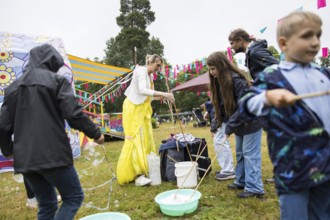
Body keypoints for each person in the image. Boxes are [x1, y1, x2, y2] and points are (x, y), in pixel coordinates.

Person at [239, 11, 330, 219]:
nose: (315, 42)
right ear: (283, 43)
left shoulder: (324, 74)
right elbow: (245, 105)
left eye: (318, 35)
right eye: (307, 36)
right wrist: (268, 96)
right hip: (293, 170)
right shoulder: (272, 76)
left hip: (326, 166)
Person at [0, 44, 104, 220]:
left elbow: (2, 126)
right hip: (53, 153)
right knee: (73, 197)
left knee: (47, 205)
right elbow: (74, 114)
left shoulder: (12, 88)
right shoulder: (56, 82)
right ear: (53, 62)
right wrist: (96, 133)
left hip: (25, 158)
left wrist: (9, 150)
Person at [207, 51, 264, 198]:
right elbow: (220, 105)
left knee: (250, 154)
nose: (211, 72)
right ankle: (242, 180)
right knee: (240, 153)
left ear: (222, 65)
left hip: (251, 120)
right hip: (239, 123)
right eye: (210, 69)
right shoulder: (219, 82)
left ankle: (255, 188)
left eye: (213, 68)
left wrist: (230, 126)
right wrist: (215, 124)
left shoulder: (237, 80)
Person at [228, 28, 279, 183]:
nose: (231, 47)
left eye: (232, 43)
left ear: (240, 40)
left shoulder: (255, 53)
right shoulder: (253, 53)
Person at [116, 54, 174, 186]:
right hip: (133, 109)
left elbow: (149, 96)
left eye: (160, 66)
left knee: (145, 139)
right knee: (135, 139)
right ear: (151, 62)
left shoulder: (150, 75)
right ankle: (138, 175)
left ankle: (143, 170)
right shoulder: (140, 71)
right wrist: (163, 93)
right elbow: (142, 90)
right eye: (157, 65)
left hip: (143, 109)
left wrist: (162, 98)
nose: (158, 69)